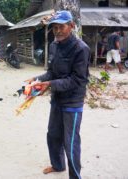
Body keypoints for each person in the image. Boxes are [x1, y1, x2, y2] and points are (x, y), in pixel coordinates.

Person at [26, 11, 90, 179]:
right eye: (55, 27)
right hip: (57, 99)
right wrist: (37, 79)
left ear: (71, 26)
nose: (58, 30)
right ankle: (58, 165)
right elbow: (51, 72)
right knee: (53, 135)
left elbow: (78, 80)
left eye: (61, 26)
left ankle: (75, 176)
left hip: (72, 102)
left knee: (71, 142)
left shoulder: (81, 49)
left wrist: (50, 84)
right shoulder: (54, 45)